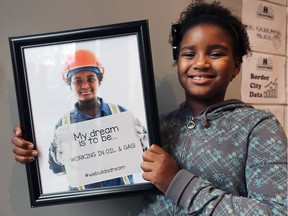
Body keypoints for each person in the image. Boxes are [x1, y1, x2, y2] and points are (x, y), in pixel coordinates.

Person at [11, 0, 287, 215]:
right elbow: (85, 162)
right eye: (188, 53)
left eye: (216, 54)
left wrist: (177, 183)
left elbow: (278, 212)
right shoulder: (157, 126)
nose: (200, 63)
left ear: (236, 65)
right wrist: (39, 152)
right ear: (178, 61)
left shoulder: (257, 127)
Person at [13, 49, 147, 190]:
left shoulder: (120, 113)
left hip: (123, 197)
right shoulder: (63, 125)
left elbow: (140, 156)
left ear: (99, 81)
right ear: (70, 84)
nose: (85, 86)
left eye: (90, 79)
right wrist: (56, 157)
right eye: (78, 80)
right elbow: (58, 170)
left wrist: (143, 143)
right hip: (84, 202)